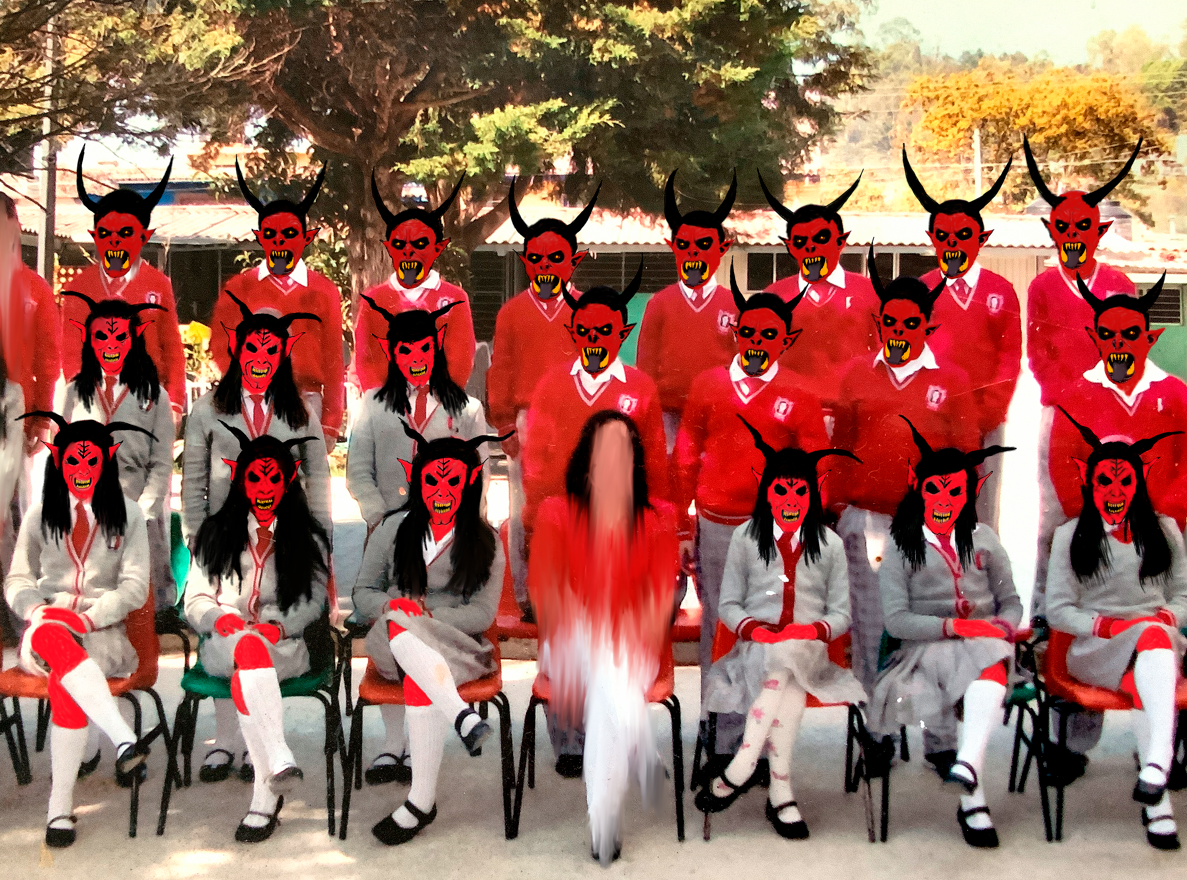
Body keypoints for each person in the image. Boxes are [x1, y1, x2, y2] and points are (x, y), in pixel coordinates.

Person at [672, 266, 829, 755]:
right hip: (717, 526)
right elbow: (685, 456)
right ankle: (717, 727)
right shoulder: (708, 384)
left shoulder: (800, 392)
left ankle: (756, 740)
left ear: (786, 339)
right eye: (748, 332)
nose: (757, 342)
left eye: (768, 335)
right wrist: (682, 526)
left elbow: (817, 466)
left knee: (765, 628)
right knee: (719, 627)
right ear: (735, 332)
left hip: (772, 533)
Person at [182, 292, 332, 783]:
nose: (260, 359)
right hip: (224, 538)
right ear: (237, 350)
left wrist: (320, 543)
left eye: (271, 350)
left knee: (264, 623)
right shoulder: (207, 411)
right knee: (227, 620)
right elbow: (194, 484)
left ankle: (254, 750)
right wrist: (198, 539)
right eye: (252, 349)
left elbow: (318, 479)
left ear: (283, 353)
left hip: (283, 535)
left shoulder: (300, 413)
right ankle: (227, 742)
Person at [695, 420, 865, 838]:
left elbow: (842, 613)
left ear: (814, 492)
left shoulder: (830, 544)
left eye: (800, 492)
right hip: (756, 649)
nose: (791, 501)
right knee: (784, 674)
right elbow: (728, 604)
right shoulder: (745, 537)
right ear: (765, 490)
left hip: (809, 650)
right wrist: (754, 630)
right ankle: (781, 791)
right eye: (781, 491)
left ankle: (741, 766)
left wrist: (812, 630)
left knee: (788, 658)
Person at [831, 248, 982, 695]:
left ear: (928, 326)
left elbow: (968, 457)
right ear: (879, 324)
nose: (898, 332)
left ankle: (934, 726)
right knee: (872, 627)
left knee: (932, 624)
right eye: (890, 323)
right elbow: (840, 449)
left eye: (910, 324)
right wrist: (839, 510)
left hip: (931, 526)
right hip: (869, 522)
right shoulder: (856, 374)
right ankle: (875, 721)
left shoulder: (953, 380)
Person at [529, 410, 678, 864]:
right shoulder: (556, 512)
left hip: (633, 646)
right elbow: (544, 593)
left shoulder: (658, 519)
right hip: (567, 643)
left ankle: (603, 822)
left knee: (608, 681)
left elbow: (660, 599)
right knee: (606, 668)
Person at [868, 419, 1019, 848]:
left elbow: (1011, 601)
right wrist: (954, 626)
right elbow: (896, 621)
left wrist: (1004, 626)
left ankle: (967, 768)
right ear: (918, 488)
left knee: (988, 654)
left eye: (955, 491)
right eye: (934, 490)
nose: (944, 501)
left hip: (986, 646)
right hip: (925, 649)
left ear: (971, 492)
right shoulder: (901, 544)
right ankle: (973, 798)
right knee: (983, 659)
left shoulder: (985, 538)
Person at [4, 412, 153, 847]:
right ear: (58, 461)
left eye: (92, 462)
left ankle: (59, 808)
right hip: (46, 629)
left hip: (103, 634)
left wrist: (86, 618)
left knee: (65, 682)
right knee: (51, 636)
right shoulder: (39, 514)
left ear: (107, 460)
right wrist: (37, 610)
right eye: (73, 461)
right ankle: (123, 738)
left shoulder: (129, 514)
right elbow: (17, 580)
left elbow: (135, 587)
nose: (83, 470)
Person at [351, 424, 504, 845]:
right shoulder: (391, 529)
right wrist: (393, 605)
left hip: (456, 649)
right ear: (417, 479)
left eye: (453, 481)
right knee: (401, 623)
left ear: (470, 483)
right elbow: (362, 592)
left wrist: (428, 615)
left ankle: (420, 802)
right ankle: (461, 716)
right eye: (432, 480)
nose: (441, 490)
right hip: (391, 644)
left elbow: (482, 613)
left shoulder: (487, 540)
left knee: (416, 657)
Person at [1046, 409, 1187, 850]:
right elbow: (1057, 611)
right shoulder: (1070, 535)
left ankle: (1157, 797)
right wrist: (1108, 625)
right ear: (1088, 481)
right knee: (1150, 645)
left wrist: (1166, 618)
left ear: (1140, 481)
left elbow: (1183, 597)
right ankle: (1159, 769)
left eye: (1125, 481)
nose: (1114, 490)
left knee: (1151, 652)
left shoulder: (1165, 530)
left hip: (1157, 645)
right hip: (1096, 649)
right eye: (1104, 480)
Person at [185, 426, 330, 842]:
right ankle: (274, 767)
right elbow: (195, 599)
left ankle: (266, 791)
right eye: (254, 478)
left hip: (282, 645)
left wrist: (280, 625)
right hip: (224, 643)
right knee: (245, 648)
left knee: (246, 672)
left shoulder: (308, 537)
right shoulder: (214, 533)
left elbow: (312, 601)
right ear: (239, 480)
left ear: (288, 480)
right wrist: (216, 617)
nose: (264, 488)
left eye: (273, 479)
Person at [487, 177, 600, 608]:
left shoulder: (589, 311)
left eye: (556, 258)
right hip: (528, 421)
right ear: (525, 260)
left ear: (574, 260)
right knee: (526, 509)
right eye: (537, 258)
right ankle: (528, 595)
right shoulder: (511, 312)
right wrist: (504, 424)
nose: (547, 266)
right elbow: (500, 371)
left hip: (579, 418)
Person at [904, 148, 1021, 524]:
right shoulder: (921, 290)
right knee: (930, 502)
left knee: (982, 507)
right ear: (932, 238)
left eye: (963, 235)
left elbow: (1009, 357)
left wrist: (989, 412)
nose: (953, 243)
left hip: (986, 419)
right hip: (933, 413)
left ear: (981, 238)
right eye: (944, 236)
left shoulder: (1001, 290)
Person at [208, 162, 345, 453]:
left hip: (306, 403)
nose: (280, 241)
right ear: (260, 237)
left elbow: (333, 359)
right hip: (251, 399)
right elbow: (221, 346)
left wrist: (331, 420)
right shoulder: (238, 288)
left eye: (290, 234)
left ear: (307, 238)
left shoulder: (324, 291)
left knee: (303, 477)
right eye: (270, 234)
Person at [60, 293, 177, 615]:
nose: (111, 344)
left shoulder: (154, 395)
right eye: (101, 336)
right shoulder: (73, 392)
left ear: (134, 338)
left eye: (120, 336)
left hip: (138, 505)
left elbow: (161, 463)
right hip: (85, 509)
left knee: (140, 608)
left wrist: (142, 512)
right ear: (88, 339)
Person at [347, 295, 490, 535]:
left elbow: (479, 476)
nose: (416, 359)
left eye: (425, 348)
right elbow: (358, 473)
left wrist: (464, 525)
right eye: (405, 350)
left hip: (450, 534)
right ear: (391, 352)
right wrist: (379, 519)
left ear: (438, 346)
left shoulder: (468, 409)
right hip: (387, 532)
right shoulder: (373, 405)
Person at [63, 148, 186, 424]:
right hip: (92, 405)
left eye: (126, 233)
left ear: (145, 236)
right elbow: (70, 354)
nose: (115, 240)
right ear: (95, 236)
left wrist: (175, 403)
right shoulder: (77, 288)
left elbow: (172, 349)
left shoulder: (158, 284)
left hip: (147, 403)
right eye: (106, 233)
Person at [757, 171, 878, 417]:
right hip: (788, 413)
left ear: (841, 241)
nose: (811, 246)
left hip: (853, 413)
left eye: (821, 238)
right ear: (790, 246)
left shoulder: (870, 292)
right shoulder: (774, 295)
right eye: (801, 241)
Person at [635, 169, 738, 449]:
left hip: (718, 410)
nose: (693, 252)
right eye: (684, 245)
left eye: (703, 245)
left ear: (722, 248)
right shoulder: (659, 303)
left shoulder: (733, 304)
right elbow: (646, 363)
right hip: (667, 411)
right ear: (673, 247)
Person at [351, 173, 475, 393]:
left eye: (419, 244)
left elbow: (461, 358)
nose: (408, 251)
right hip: (385, 401)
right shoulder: (373, 300)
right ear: (389, 248)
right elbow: (364, 356)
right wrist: (379, 399)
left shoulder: (455, 299)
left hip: (438, 400)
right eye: (399, 244)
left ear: (437, 249)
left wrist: (441, 398)